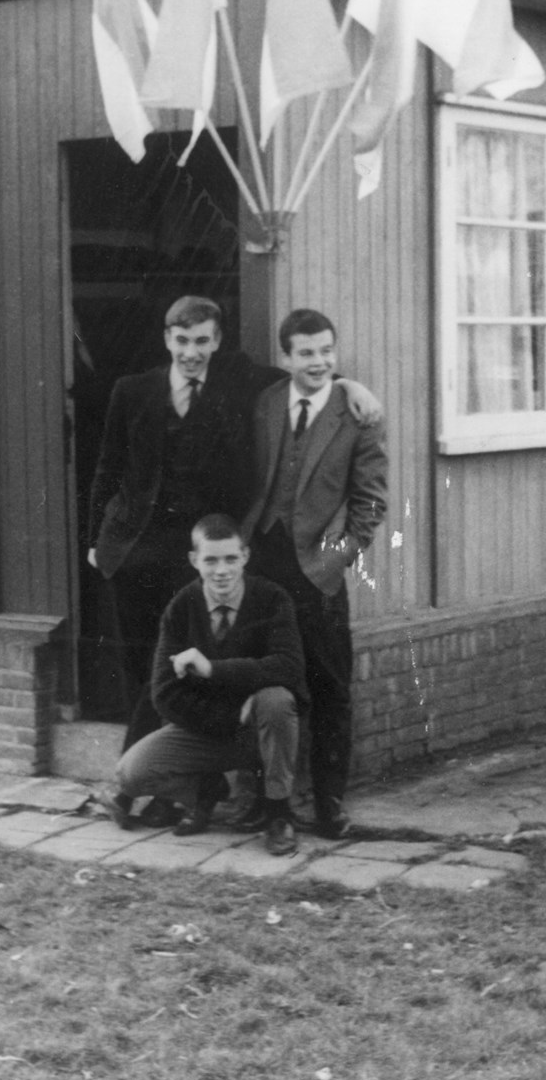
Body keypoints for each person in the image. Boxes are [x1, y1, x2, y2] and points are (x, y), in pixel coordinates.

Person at [86, 295, 381, 797]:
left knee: (207, 671)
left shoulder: (240, 384)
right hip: (137, 555)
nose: (191, 352)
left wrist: (350, 384)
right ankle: (174, 789)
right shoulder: (133, 391)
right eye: (182, 340)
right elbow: (106, 469)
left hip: (211, 561)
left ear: (218, 342)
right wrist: (95, 541)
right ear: (166, 339)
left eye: (202, 340)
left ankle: (159, 790)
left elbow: (309, 378)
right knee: (147, 674)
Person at [241, 308, 388, 841]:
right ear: (287, 357)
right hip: (263, 563)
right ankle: (266, 802)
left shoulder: (358, 416)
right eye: (306, 352)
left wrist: (336, 558)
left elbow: (371, 503)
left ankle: (328, 802)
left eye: (327, 351)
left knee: (330, 688)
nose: (319, 362)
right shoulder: (267, 403)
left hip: (319, 573)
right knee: (265, 682)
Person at [106, 513, 306, 857]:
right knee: (130, 774)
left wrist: (212, 668)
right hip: (208, 731)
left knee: (276, 699)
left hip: (260, 733)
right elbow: (164, 693)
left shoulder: (272, 599)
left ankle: (278, 813)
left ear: (245, 556)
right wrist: (229, 718)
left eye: (230, 558)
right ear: (194, 560)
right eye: (210, 560)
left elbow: (289, 667)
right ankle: (204, 790)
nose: (222, 570)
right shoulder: (181, 608)